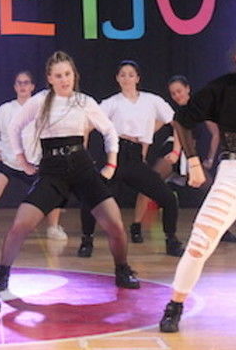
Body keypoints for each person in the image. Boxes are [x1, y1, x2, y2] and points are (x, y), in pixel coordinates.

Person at [0, 51, 140, 292]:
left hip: (82, 167)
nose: (64, 80)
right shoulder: (40, 100)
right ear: (50, 78)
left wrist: (111, 164)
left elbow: (109, 130)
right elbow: (14, 126)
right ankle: (2, 273)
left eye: (67, 74)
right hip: (52, 171)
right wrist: (23, 161)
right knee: (20, 224)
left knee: (115, 224)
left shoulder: (84, 101)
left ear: (74, 75)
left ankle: (123, 270)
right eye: (58, 76)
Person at [77, 60, 184, 258]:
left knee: (168, 198)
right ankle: (87, 240)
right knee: (90, 196)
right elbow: (87, 125)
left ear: (137, 78)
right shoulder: (112, 102)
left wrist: (176, 151)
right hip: (115, 156)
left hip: (135, 157)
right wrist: (83, 154)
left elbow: (177, 122)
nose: (127, 78)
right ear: (117, 78)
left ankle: (171, 240)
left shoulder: (151, 100)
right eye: (123, 75)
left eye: (131, 74)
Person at [159, 59, 236, 332]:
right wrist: (192, 161)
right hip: (232, 172)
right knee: (199, 242)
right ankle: (175, 305)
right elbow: (182, 120)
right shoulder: (223, 88)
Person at [133, 75, 236, 243]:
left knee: (211, 189)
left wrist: (210, 159)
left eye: (179, 91)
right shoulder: (170, 110)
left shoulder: (201, 107)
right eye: (173, 93)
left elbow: (216, 133)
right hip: (172, 151)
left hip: (190, 155)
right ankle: (136, 226)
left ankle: (219, 229)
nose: (177, 95)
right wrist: (139, 141)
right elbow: (155, 128)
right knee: (150, 183)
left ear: (188, 89)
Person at [0, 71, 67, 241]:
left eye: (26, 83)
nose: (22, 86)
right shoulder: (5, 109)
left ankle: (53, 228)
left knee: (54, 192)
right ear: (15, 87)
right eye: (19, 83)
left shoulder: (41, 108)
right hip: (7, 161)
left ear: (32, 87)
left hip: (33, 163)